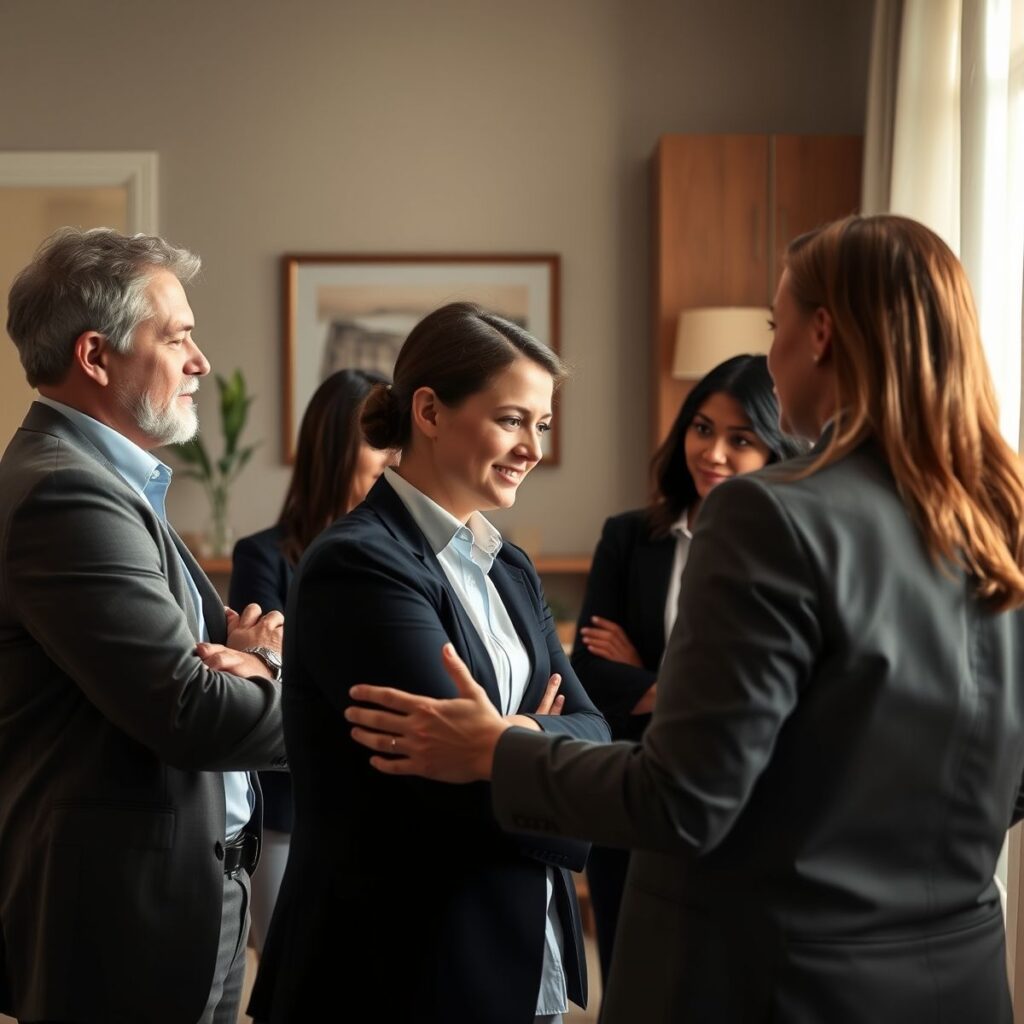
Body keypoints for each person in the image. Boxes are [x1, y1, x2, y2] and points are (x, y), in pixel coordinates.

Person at [345, 215, 1024, 1023]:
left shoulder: (770, 515)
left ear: (821, 334)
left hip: (778, 983)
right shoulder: (1004, 523)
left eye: (776, 327)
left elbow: (683, 799)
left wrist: (502, 748)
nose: (770, 357)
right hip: (962, 977)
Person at [248, 301, 610, 1024]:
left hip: (519, 954)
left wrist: (507, 742)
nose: (533, 447)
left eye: (541, 423)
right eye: (512, 419)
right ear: (429, 411)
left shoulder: (510, 567)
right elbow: (444, 789)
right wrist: (546, 750)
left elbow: (598, 731)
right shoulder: (357, 565)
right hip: (400, 968)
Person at [0, 227, 287, 1024]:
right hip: (122, 913)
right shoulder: (68, 495)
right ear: (96, 356)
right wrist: (272, 668)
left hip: (194, 887)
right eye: (179, 337)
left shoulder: (108, 481)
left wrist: (243, 664)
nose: (200, 361)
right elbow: (191, 710)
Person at [571, 353, 804, 990]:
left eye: (741, 439)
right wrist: (686, 691)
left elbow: (776, 692)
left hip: (741, 799)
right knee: (629, 972)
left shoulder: (788, 547)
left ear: (775, 449)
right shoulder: (629, 537)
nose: (714, 453)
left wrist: (649, 679)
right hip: (633, 787)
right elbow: (589, 668)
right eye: (703, 429)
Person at [229, 366, 393, 953]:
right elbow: (264, 679)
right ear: (334, 444)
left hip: (393, 812)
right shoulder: (263, 557)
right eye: (379, 438)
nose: (395, 456)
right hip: (290, 817)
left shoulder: (406, 558)